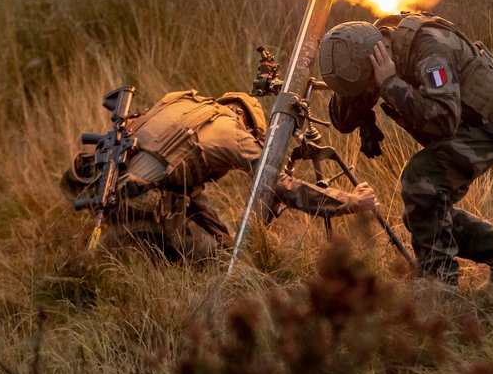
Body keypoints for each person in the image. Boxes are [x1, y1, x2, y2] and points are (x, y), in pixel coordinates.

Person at [319, 12, 493, 288]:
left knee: (421, 180)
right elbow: (342, 121)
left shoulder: (429, 50)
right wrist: (361, 109)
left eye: (369, 84)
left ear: (378, 60)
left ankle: (440, 285)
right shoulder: (364, 49)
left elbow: (443, 119)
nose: (370, 90)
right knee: (422, 215)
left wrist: (389, 84)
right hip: (464, 122)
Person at [61, 88, 376, 261]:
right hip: (143, 203)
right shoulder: (236, 134)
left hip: (104, 188)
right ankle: (138, 256)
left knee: (200, 214)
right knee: (217, 263)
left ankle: (114, 253)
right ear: (248, 122)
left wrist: (224, 236)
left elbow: (189, 189)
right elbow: (280, 185)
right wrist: (350, 201)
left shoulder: (179, 101)